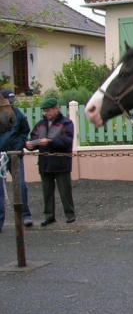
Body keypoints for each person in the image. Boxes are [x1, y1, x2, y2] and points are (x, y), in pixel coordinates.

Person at [25, 97, 75, 226]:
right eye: (45, 111)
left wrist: (50, 141)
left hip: (61, 162)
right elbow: (34, 138)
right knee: (47, 192)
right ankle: (49, 216)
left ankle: (70, 214)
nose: (47, 113)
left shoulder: (66, 122)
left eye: (49, 110)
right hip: (45, 163)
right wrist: (30, 145)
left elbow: (67, 140)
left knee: (65, 191)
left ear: (56, 109)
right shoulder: (40, 124)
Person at [0, 89, 33, 231]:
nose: (11, 105)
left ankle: (25, 215)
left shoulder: (18, 114)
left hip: (14, 155)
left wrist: (18, 147)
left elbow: (25, 131)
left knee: (20, 185)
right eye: (8, 102)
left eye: (12, 102)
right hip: (1, 156)